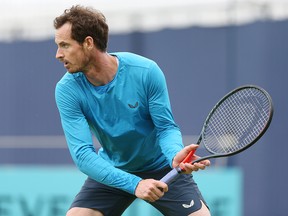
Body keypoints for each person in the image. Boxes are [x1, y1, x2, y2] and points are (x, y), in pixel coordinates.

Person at [54, 5, 211, 216]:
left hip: (161, 165)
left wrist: (175, 154)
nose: (58, 54)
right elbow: (82, 154)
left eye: (65, 45)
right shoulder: (67, 90)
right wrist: (135, 184)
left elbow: (165, 128)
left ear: (88, 43)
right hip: (114, 169)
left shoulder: (146, 72)